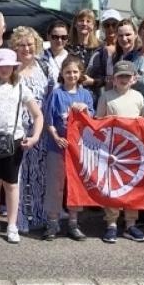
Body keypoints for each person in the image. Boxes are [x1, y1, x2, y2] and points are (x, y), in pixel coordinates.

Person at [0, 48, 42, 244]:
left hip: (13, 140)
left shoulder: (21, 87)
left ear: (14, 68)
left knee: (11, 184)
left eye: (8, 66)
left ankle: (12, 224)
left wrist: (34, 137)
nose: (4, 69)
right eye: (1, 66)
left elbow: (38, 115)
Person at [40, 55, 91, 242]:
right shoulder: (57, 93)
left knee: (75, 186)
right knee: (55, 185)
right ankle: (53, 221)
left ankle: (73, 222)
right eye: (68, 72)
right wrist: (56, 137)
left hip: (77, 149)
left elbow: (91, 121)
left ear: (81, 74)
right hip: (58, 148)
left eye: (75, 72)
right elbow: (50, 120)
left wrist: (85, 109)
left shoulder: (85, 94)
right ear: (62, 73)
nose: (71, 75)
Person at [97, 61, 144, 243]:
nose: (124, 79)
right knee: (112, 186)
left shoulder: (138, 97)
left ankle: (130, 224)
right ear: (113, 79)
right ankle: (111, 223)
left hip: (133, 150)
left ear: (133, 79)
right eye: (120, 76)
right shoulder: (106, 97)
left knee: (132, 185)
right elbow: (98, 121)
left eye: (127, 76)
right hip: (112, 149)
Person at [10, 26, 51, 232]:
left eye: (29, 44)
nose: (26, 48)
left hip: (39, 129)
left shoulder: (45, 66)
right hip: (15, 129)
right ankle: (20, 220)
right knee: (17, 175)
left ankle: (39, 215)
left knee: (38, 174)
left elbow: (52, 94)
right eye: (21, 45)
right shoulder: (11, 69)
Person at [88, 18, 136, 89]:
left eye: (128, 34)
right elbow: (110, 83)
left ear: (136, 34)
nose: (124, 38)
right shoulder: (115, 57)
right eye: (120, 35)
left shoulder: (140, 56)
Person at [68, 9, 103, 89]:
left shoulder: (100, 48)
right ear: (75, 24)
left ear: (93, 25)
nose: (84, 24)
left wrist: (93, 81)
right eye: (81, 20)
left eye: (88, 21)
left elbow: (106, 75)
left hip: (93, 93)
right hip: (70, 91)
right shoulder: (67, 47)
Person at [38, 20, 70, 86]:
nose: (59, 40)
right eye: (55, 37)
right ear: (48, 36)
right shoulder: (39, 57)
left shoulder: (72, 58)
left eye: (63, 37)